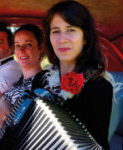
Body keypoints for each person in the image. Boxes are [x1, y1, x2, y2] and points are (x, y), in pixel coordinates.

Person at [43, 1, 113, 149]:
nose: (62, 39)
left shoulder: (99, 87)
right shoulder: (41, 80)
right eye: (55, 31)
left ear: (85, 38)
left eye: (71, 30)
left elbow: (97, 145)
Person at [0, 24, 60, 148]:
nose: (21, 50)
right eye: (17, 45)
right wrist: (2, 101)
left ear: (40, 47)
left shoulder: (45, 85)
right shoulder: (19, 81)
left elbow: (33, 137)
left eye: (28, 44)